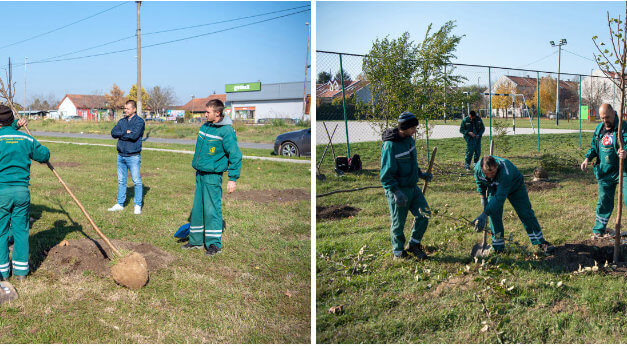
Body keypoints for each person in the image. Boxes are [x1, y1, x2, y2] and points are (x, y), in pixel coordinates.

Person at [182, 99, 242, 256]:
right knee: (198, 208)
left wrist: (232, 178)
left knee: (212, 209)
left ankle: (214, 244)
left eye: (208, 112)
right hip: (200, 174)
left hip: (213, 177)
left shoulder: (226, 131)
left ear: (218, 113)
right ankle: (195, 240)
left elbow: (235, 155)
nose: (205, 114)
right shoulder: (205, 126)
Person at [0, 105, 50, 281]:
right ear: (10, 120)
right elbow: (44, 155)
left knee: (1, 232)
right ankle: (21, 272)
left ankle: (3, 274)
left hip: (1, 192)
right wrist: (17, 128)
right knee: (21, 231)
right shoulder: (25, 139)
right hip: (22, 192)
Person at [473, 155, 554, 254]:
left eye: (493, 172)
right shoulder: (477, 168)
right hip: (493, 187)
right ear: (481, 168)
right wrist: (482, 197)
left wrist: (484, 214)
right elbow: (479, 181)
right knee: (494, 216)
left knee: (525, 212)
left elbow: (499, 198)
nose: (490, 176)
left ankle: (540, 242)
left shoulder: (505, 171)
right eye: (487, 173)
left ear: (497, 166)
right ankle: (498, 247)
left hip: (515, 186)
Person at [380, 112, 433, 260]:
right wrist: (396, 192)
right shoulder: (390, 146)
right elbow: (385, 175)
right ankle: (398, 253)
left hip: (412, 187)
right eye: (413, 128)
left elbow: (410, 162)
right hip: (398, 190)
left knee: (425, 214)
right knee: (398, 223)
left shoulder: (409, 140)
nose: (415, 130)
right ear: (405, 127)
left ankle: (413, 244)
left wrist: (420, 174)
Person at [580, 103, 627, 238]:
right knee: (604, 201)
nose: (605, 120)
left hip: (623, 170)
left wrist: (625, 152)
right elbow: (594, 147)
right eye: (602, 118)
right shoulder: (599, 128)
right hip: (605, 171)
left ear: (613, 113)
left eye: (607, 117)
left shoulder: (623, 127)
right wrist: (587, 159)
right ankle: (599, 230)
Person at [108, 100, 145, 214]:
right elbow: (113, 133)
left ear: (134, 109)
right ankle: (120, 203)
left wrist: (123, 133)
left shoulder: (139, 122)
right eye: (125, 108)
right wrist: (125, 132)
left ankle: (137, 205)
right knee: (121, 181)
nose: (125, 110)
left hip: (133, 156)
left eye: (128, 108)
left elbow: (134, 136)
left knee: (137, 181)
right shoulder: (122, 121)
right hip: (121, 156)